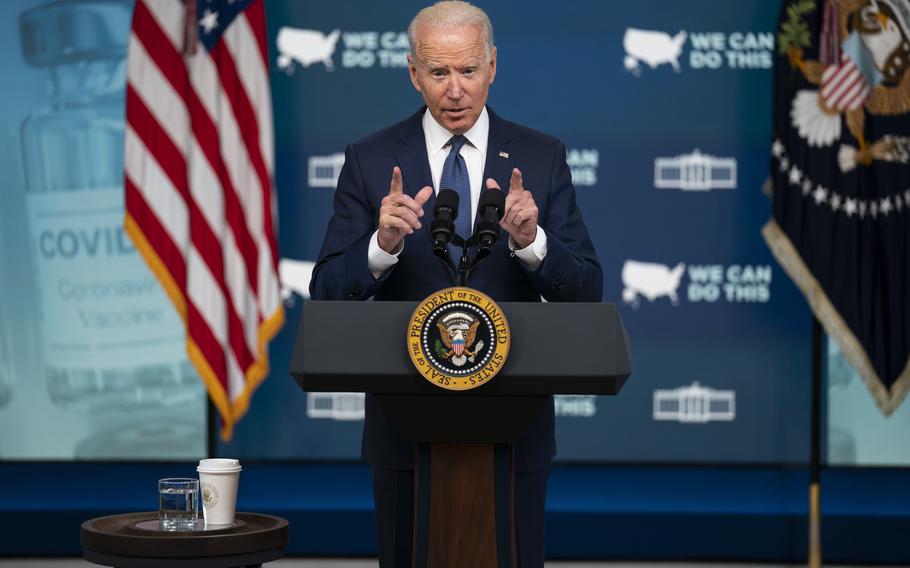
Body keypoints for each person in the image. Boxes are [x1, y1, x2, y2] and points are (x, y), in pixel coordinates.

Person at [309, 2, 602, 565]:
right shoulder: (370, 160)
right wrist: (381, 247)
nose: (455, 90)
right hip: (405, 425)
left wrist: (532, 241)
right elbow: (326, 291)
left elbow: (586, 287)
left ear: (493, 65)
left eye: (468, 71)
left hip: (512, 424)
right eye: (439, 73)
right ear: (413, 73)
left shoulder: (542, 157)